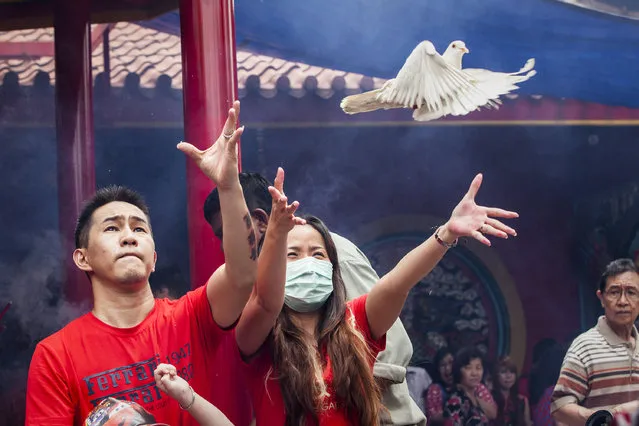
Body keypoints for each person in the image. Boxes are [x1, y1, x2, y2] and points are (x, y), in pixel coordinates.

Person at [26, 101, 256, 425]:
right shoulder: (55, 355)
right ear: (83, 257)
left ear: (154, 259)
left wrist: (229, 187)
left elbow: (244, 276)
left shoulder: (191, 317)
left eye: (139, 228)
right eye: (111, 228)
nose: (129, 237)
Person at [234, 171, 518, 424]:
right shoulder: (260, 335)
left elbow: (397, 283)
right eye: (292, 255)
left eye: (318, 254)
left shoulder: (354, 322)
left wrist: (446, 233)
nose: (307, 262)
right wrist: (273, 234)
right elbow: (264, 301)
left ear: (334, 268)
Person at [203, 169, 427, 425]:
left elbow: (390, 344)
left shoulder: (328, 254)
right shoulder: (263, 274)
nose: (223, 245)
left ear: (261, 220)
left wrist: (345, 390)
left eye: (225, 232)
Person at [551, 258, 639, 426]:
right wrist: (606, 417)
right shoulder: (585, 347)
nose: (622, 301)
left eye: (631, 292)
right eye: (614, 292)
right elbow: (560, 409)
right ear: (601, 297)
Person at [444, 347, 497, 426]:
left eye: (478, 368)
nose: (474, 373)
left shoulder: (475, 398)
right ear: (458, 370)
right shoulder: (455, 401)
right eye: (468, 368)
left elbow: (493, 415)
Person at [491, 356, 532, 426]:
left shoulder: (522, 400)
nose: (509, 376)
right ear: (496, 375)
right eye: (503, 372)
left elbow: (527, 423)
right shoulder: (489, 398)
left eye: (512, 372)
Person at [425, 348, 455, 425]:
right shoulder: (434, 389)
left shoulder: (466, 387)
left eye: (451, 363)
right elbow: (433, 417)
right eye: (443, 365)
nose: (447, 368)